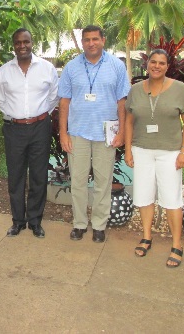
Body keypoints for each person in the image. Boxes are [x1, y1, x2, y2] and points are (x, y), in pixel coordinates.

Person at [58, 25, 130, 243]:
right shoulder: (71, 67)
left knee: (103, 181)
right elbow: (64, 102)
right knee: (78, 181)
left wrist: (122, 133)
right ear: (82, 42)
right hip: (78, 132)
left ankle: (99, 225)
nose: (91, 43)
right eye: (87, 39)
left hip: (106, 134)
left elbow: (122, 103)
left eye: (95, 39)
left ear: (103, 40)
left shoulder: (117, 66)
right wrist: (63, 133)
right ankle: (79, 223)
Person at [124, 48, 184, 268]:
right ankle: (146, 236)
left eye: (161, 63)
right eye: (153, 62)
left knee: (171, 199)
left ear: (167, 66)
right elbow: (128, 121)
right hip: (142, 150)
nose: (156, 66)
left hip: (170, 152)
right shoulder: (136, 90)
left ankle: (176, 244)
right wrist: (128, 150)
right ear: (147, 65)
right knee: (144, 196)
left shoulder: (179, 89)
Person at [0, 28, 59, 238]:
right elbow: (0, 100)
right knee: (16, 177)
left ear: (32, 42)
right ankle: (18, 221)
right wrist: (17, 116)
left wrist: (38, 116)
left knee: (39, 176)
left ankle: (35, 221)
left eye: (26, 42)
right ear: (13, 45)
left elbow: (53, 98)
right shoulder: (4, 71)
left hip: (40, 127)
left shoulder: (47, 68)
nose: (22, 46)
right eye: (18, 42)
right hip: (14, 129)